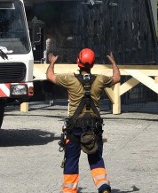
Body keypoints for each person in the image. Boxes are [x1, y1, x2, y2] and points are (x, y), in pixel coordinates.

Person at [46, 48, 121, 193]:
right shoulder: (100, 80)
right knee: (95, 158)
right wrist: (113, 62)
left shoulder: (70, 80)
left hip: (75, 127)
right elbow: (117, 78)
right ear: (92, 64)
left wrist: (52, 62)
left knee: (72, 160)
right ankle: (104, 187)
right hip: (94, 127)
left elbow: (50, 76)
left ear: (78, 62)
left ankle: (69, 191)